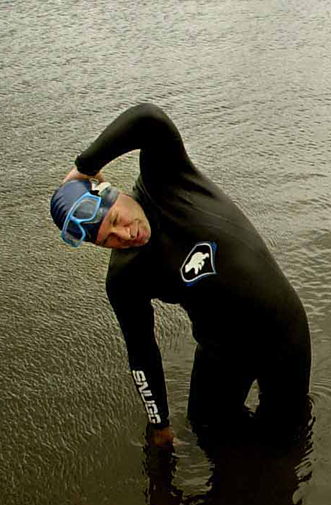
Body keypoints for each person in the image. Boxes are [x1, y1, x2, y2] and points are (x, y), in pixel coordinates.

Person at [48, 104, 311, 444]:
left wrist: (83, 167)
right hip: (220, 350)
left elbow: (147, 119)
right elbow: (142, 353)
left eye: (116, 220)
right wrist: (159, 425)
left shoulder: (167, 180)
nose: (125, 236)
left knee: (288, 438)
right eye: (108, 240)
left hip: (282, 333)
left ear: (113, 193)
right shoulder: (126, 279)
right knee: (207, 433)